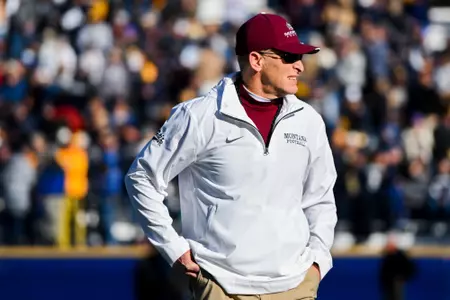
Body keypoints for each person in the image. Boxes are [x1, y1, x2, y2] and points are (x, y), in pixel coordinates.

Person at [125, 12, 338, 300]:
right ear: (256, 61)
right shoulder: (199, 115)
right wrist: (174, 249)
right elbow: (142, 178)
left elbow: (321, 198)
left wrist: (318, 263)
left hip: (296, 285)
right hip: (224, 288)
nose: (299, 66)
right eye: (289, 57)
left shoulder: (309, 120)